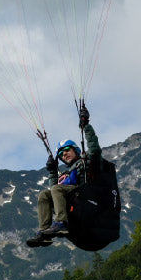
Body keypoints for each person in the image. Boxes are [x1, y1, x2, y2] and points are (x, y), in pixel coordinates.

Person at [26, 103, 102, 247]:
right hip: (71, 199)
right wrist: (52, 172)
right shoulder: (66, 173)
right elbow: (55, 191)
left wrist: (86, 126)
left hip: (86, 195)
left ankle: (61, 222)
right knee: (44, 194)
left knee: (56, 189)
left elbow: (95, 148)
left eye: (67, 150)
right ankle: (44, 232)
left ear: (76, 150)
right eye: (61, 153)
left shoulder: (86, 161)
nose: (64, 154)